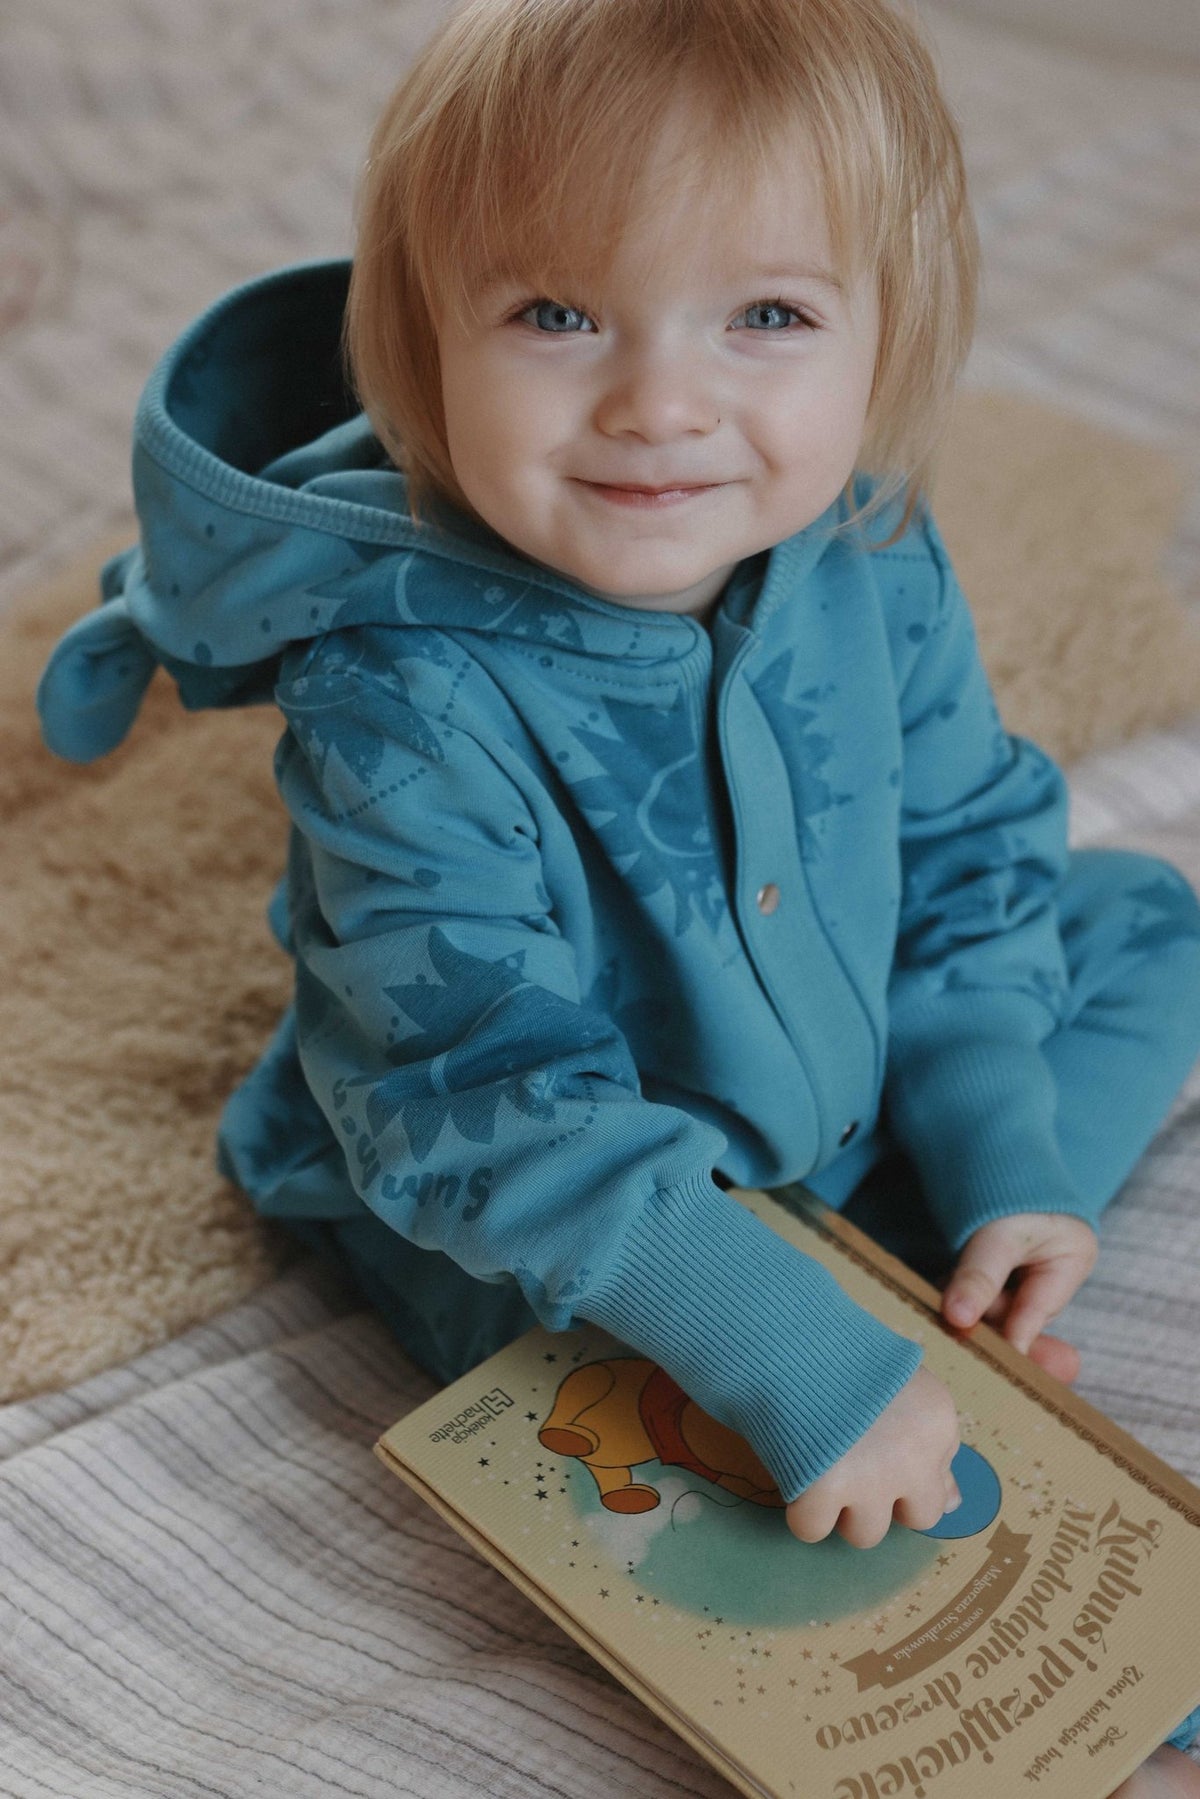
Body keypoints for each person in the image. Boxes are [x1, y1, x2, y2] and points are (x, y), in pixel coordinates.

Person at [37, 0, 1200, 1782]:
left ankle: (922, 1252)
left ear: (880, 347)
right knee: (625, 1437)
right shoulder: (401, 697)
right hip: (544, 1171)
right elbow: (479, 1102)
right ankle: (842, 1360)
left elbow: (971, 851)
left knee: (1143, 929)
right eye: (558, 315)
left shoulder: (870, 548)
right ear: (427, 349)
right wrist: (788, 1360)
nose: (664, 402)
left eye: (769, 317)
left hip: (822, 1065)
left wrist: (1003, 1154)